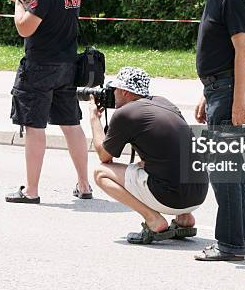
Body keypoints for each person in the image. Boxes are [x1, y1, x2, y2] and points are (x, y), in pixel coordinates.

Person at [1, 0, 92, 204]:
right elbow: (48, 14)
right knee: (71, 124)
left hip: (40, 68)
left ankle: (31, 191)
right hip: (67, 67)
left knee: (34, 126)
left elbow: (24, 27)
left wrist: (18, 1)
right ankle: (84, 185)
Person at [186, 0, 245, 261]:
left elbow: (243, 51)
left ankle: (229, 245)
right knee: (231, 170)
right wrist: (206, 92)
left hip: (228, 92)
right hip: (218, 90)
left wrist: (238, 101)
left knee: (224, 170)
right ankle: (241, 241)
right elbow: (221, 51)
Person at [88, 67, 209, 244]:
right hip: (199, 193)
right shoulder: (164, 103)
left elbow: (104, 156)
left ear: (124, 91)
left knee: (101, 172)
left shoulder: (126, 113)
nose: (112, 95)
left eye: (114, 90)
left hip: (171, 198)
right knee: (155, 162)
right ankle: (185, 219)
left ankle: (154, 220)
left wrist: (94, 119)